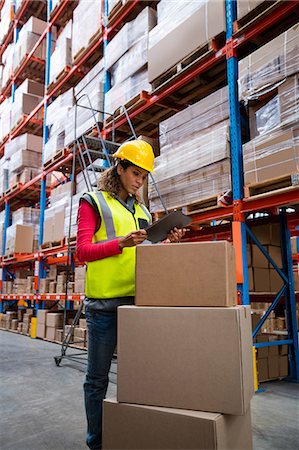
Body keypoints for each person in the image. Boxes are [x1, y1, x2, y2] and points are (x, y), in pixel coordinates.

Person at [76, 139, 185, 450]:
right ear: (119, 168)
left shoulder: (142, 211)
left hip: (138, 304)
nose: (139, 181)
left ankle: (133, 435)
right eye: (135, 173)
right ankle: (96, 442)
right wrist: (120, 244)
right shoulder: (93, 202)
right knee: (97, 380)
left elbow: (146, 253)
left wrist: (167, 243)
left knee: (140, 377)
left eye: (144, 176)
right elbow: (82, 252)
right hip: (104, 307)